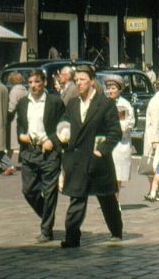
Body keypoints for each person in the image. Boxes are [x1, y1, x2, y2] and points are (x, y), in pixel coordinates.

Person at [59, 65, 123, 248]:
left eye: (82, 80)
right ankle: (72, 238)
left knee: (107, 199)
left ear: (92, 81)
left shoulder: (105, 104)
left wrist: (101, 150)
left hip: (97, 161)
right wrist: (62, 132)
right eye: (76, 80)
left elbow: (114, 132)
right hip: (77, 161)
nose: (78, 83)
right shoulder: (72, 104)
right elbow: (64, 122)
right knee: (76, 199)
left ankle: (116, 231)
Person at [16, 69, 65, 243]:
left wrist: (52, 140)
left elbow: (64, 126)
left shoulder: (55, 102)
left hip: (49, 152)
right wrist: (22, 136)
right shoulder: (23, 103)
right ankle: (47, 216)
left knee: (50, 192)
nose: (33, 86)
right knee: (28, 190)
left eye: (36, 82)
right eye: (30, 82)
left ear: (44, 82)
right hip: (29, 151)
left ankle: (46, 230)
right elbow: (20, 127)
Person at [103, 74, 135, 201]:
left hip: (118, 145)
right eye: (108, 88)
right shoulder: (104, 103)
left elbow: (123, 126)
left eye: (113, 88)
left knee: (116, 175)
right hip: (106, 144)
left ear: (119, 90)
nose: (110, 91)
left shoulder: (123, 105)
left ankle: (115, 201)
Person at [6, 72, 28, 171]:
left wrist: (8, 113)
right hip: (24, 117)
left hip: (15, 118)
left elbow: (12, 105)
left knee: (11, 142)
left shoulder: (14, 91)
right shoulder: (25, 90)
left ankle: (7, 163)